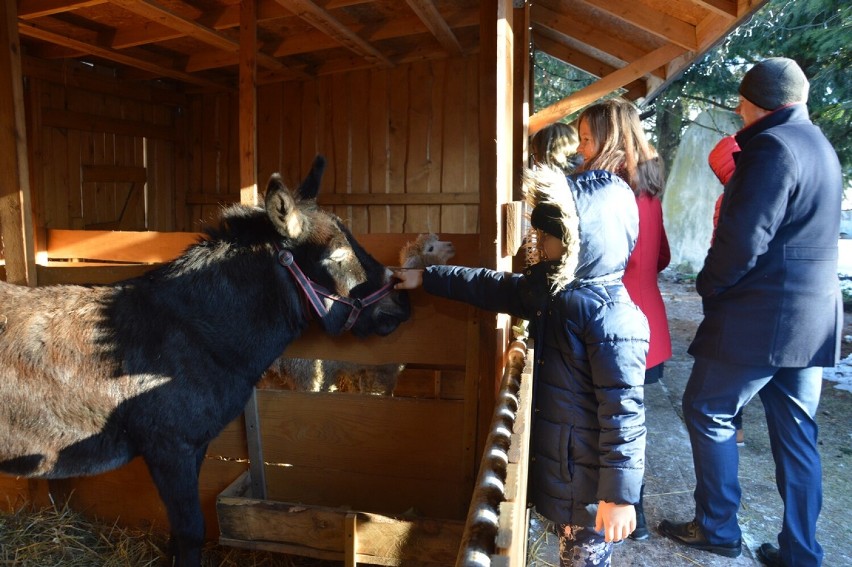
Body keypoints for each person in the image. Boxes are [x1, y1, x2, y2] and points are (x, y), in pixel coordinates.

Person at [394, 165, 649, 566]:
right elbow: (491, 286)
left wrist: (619, 496)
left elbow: (624, 412)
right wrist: (428, 278)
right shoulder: (553, 291)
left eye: (548, 235)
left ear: (579, 242)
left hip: (588, 487)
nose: (539, 242)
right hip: (566, 474)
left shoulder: (613, 318)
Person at [658, 57, 843, 567]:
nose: (739, 112)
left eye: (741, 103)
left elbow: (743, 240)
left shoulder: (770, 149)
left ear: (752, 102)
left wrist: (710, 286)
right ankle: (802, 551)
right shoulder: (820, 147)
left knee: (707, 408)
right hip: (813, 318)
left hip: (763, 317)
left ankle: (717, 528)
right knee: (798, 432)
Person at [575, 98, 673, 540]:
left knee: (608, 420)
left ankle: (617, 510)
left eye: (587, 139)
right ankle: (635, 513)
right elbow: (664, 256)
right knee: (629, 418)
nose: (581, 150)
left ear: (608, 139)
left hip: (612, 323)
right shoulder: (648, 189)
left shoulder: (603, 190)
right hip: (649, 323)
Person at [707, 134, 746, 447]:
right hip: (737, 291)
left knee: (728, 365)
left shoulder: (729, 196)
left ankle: (735, 427)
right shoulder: (744, 191)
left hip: (726, 293)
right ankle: (737, 428)